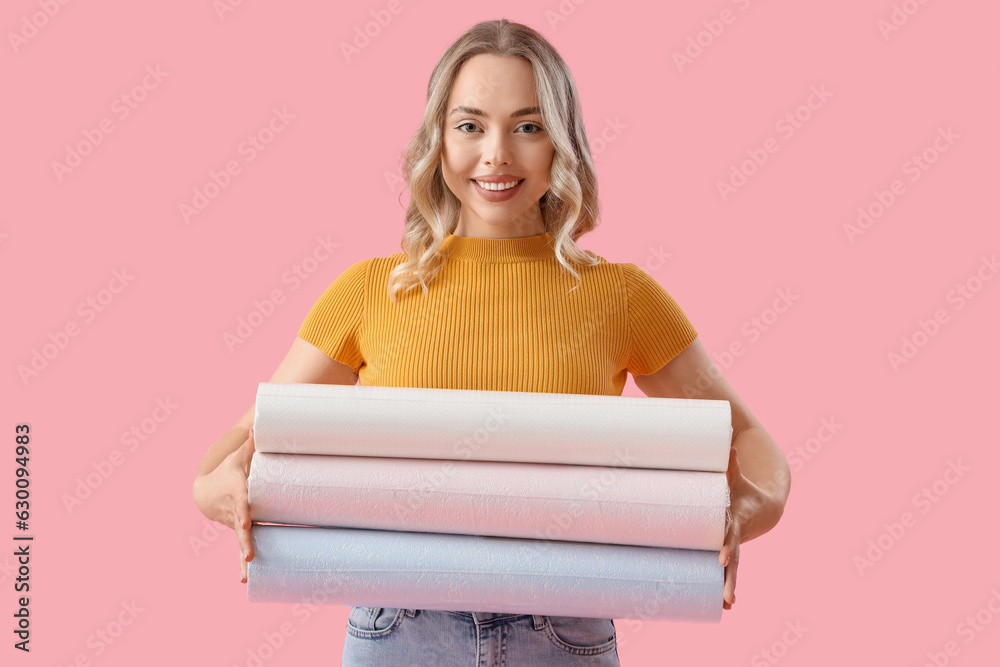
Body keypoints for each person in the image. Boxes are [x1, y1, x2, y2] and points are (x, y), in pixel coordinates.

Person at [193, 18, 791, 666]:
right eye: (470, 125)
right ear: (439, 140)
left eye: (527, 126)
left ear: (560, 142)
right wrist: (221, 486)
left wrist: (744, 512)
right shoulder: (370, 290)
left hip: (564, 626)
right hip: (400, 627)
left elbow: (750, 440)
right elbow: (241, 444)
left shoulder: (622, 297)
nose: (497, 155)